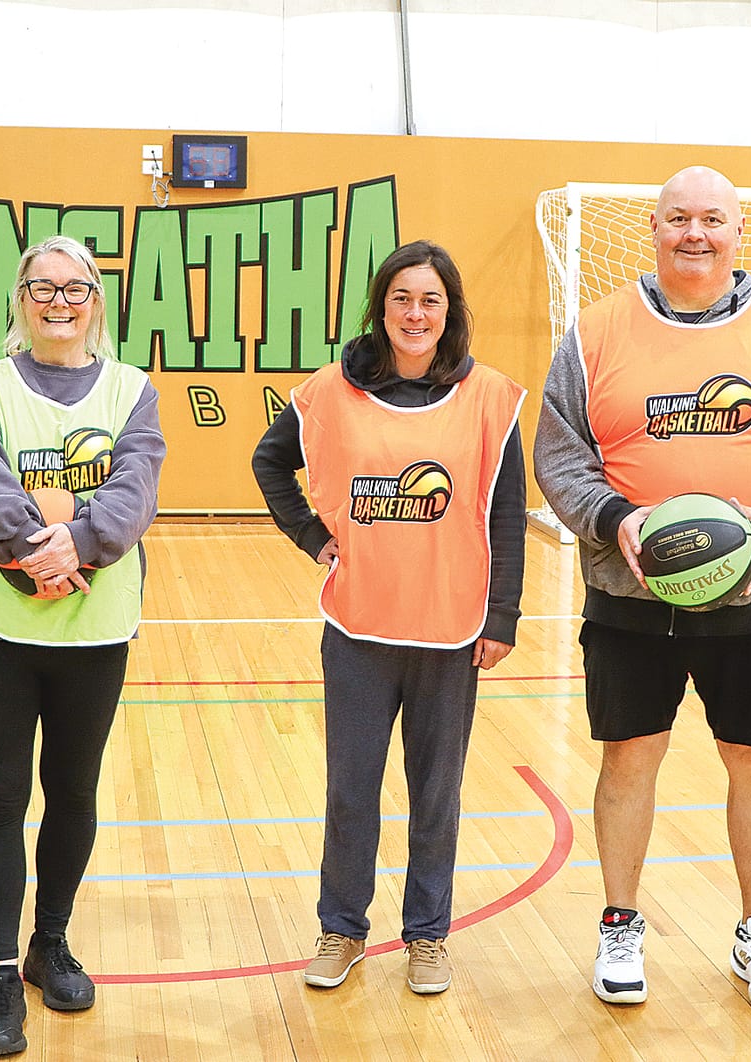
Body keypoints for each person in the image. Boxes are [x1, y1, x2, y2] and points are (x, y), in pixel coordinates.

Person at [534, 166, 751, 1013]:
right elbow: (560, 453)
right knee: (628, 758)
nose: (696, 233)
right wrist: (615, 518)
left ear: (739, 231)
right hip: (630, 595)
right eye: (679, 218)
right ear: (652, 228)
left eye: (713, 219)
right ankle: (620, 924)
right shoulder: (596, 332)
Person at [251, 240, 526, 996]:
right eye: (402, 297)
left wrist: (501, 615)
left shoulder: (490, 397)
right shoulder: (333, 389)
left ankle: (428, 936)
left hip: (452, 631)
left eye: (430, 299)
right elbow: (270, 462)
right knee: (352, 790)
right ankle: (341, 929)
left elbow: (506, 514)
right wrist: (313, 534)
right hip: (359, 629)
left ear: (450, 312)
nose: (415, 312)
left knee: (437, 794)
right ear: (381, 306)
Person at [0, 235, 164, 1057]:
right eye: (43, 288)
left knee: (73, 792)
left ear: (96, 301)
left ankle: (50, 942)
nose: (59, 302)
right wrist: (47, 547)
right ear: (21, 299)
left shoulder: (132, 390)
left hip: (97, 621)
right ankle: (2, 972)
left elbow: (136, 484)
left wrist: (80, 541)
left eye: (76, 289)